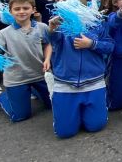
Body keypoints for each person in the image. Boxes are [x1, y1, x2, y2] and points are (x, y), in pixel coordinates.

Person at [47, 8, 115, 139]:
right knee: (65, 133)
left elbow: (110, 46)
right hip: (66, 84)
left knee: (96, 126)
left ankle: (84, 113)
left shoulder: (96, 23)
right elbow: (52, 40)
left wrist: (92, 44)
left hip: (94, 83)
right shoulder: (61, 22)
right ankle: (56, 97)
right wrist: (52, 30)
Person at [0, 0, 52, 121]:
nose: (21, 11)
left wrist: (47, 59)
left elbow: (47, 44)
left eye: (25, 8)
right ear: (10, 11)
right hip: (17, 78)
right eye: (17, 9)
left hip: (40, 75)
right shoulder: (3, 34)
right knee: (20, 116)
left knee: (54, 105)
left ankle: (33, 90)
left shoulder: (42, 27)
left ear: (33, 10)